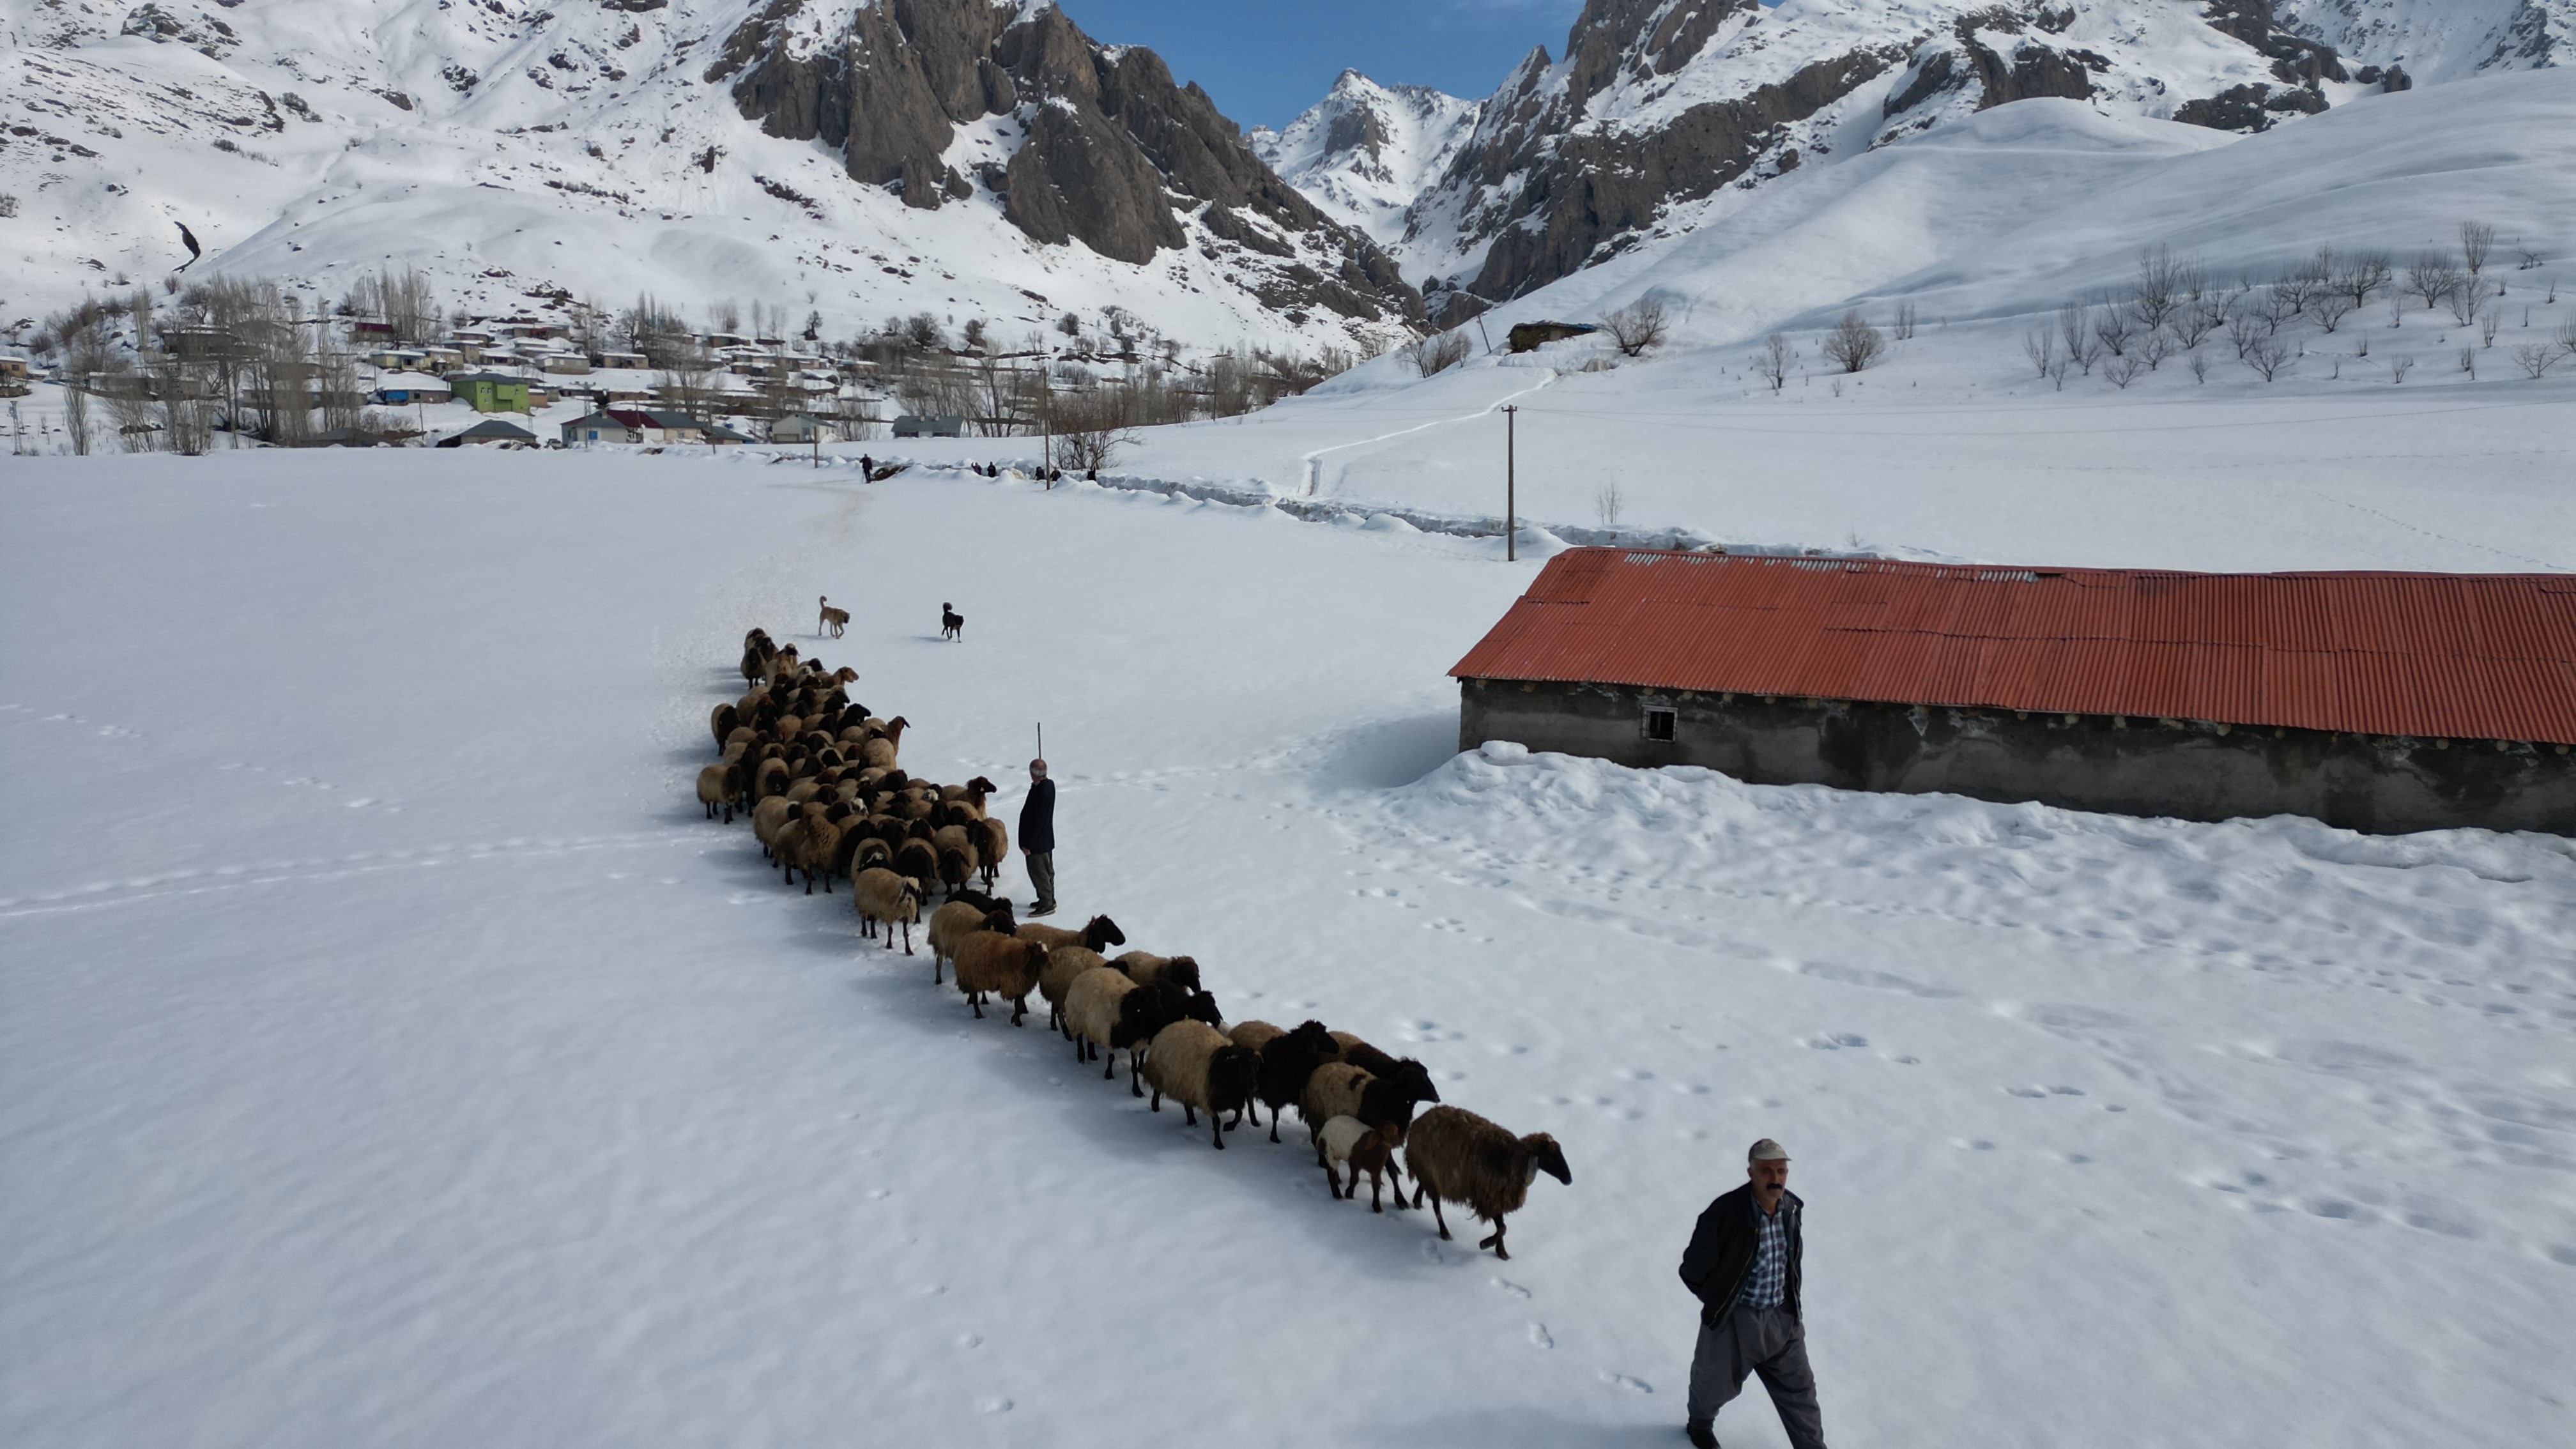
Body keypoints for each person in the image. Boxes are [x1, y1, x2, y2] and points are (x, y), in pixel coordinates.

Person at [1676, 1138, 1824, 1449]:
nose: (1776, 1178)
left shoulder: (1791, 1209)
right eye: (1767, 1171)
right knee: (1713, 1385)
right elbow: (1692, 1270)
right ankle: (1699, 1427)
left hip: (1783, 1318)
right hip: (1736, 1319)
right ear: (1751, 1173)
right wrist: (1721, 1299)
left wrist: (1791, 1310)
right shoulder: (1725, 1214)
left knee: (1801, 1394)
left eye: (1781, 1171)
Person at [1018, 758, 1056, 917]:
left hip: (1038, 842)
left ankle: (1046, 903)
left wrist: (1029, 844)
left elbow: (1037, 821)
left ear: (1034, 774)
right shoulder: (1046, 786)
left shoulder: (1042, 791)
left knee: (1039, 872)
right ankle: (1048, 898)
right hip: (1045, 839)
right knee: (1047, 871)